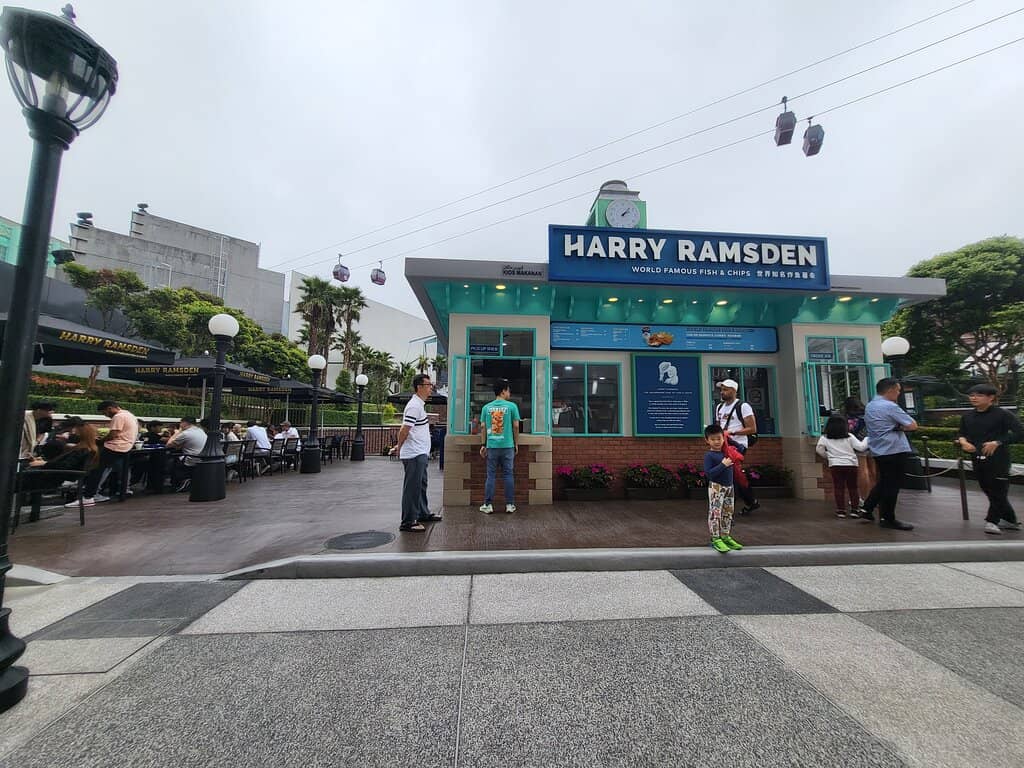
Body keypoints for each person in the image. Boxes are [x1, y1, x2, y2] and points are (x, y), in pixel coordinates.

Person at [956, 383, 1024, 535]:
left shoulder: (1003, 414)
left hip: (999, 459)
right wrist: (963, 442)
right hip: (977, 458)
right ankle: (1010, 520)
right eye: (972, 395)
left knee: (998, 491)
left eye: (979, 395)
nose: (974, 398)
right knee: (989, 490)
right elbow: (961, 433)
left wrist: (997, 442)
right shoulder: (967, 416)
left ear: (991, 397)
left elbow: (1020, 433)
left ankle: (992, 521)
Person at [860, 378, 917, 530]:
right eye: (898, 391)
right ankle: (887, 518)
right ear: (890, 390)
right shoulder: (890, 406)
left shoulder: (870, 405)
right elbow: (912, 425)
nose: (898, 394)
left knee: (885, 481)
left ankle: (867, 508)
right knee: (892, 485)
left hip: (878, 449)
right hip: (894, 449)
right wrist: (900, 427)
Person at [389, 373, 442, 531]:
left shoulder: (419, 405)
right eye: (428, 385)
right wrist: (399, 447)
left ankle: (422, 513)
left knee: (421, 485)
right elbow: (404, 430)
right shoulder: (414, 406)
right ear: (419, 387)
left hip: (420, 453)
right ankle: (408, 521)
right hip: (414, 454)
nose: (431, 388)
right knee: (412, 488)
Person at [68, 400, 138, 507]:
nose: (105, 415)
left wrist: (100, 441)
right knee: (115, 470)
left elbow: (113, 435)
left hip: (114, 446)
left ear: (110, 408)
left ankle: (88, 497)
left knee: (95, 470)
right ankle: (119, 493)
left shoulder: (118, 417)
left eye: (104, 412)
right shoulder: (129, 415)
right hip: (126, 447)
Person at [714, 379, 760, 514]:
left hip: (737, 446)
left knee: (730, 475)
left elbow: (752, 428)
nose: (722, 392)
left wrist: (732, 432)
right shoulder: (719, 407)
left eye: (725, 389)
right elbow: (719, 426)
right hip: (724, 445)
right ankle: (751, 501)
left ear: (734, 391)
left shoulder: (743, 406)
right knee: (735, 475)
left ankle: (728, 510)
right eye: (721, 389)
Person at [478, 378, 521, 514]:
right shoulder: (512, 406)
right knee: (508, 475)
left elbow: (483, 427)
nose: (510, 393)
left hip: (492, 446)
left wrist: (483, 444)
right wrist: (516, 443)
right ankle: (509, 505)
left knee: (491, 475)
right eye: (508, 390)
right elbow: (516, 426)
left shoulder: (486, 408)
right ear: (503, 391)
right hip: (508, 446)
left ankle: (488, 505)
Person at [816, 415, 869, 518]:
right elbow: (861, 447)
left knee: (838, 487)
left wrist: (828, 456)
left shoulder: (824, 438)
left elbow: (819, 450)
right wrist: (867, 439)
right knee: (853, 487)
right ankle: (854, 510)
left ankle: (841, 511)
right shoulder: (849, 436)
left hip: (835, 465)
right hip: (851, 464)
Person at [703, 424, 744, 553]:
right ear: (707, 440)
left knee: (728, 512)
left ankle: (725, 536)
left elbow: (741, 448)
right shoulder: (709, 456)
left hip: (729, 487)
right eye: (713, 439)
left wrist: (729, 438)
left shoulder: (727, 452)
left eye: (719, 438)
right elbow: (709, 474)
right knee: (715, 513)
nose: (716, 442)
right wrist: (722, 465)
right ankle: (715, 538)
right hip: (716, 487)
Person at [843, 396, 876, 502]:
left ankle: (864, 497)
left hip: (858, 444)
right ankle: (876, 496)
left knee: (863, 471)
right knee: (873, 471)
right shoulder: (867, 415)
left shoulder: (849, 418)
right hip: (872, 443)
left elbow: (848, 432)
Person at [166, 416, 207, 491]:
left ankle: (178, 483)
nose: (180, 425)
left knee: (169, 461)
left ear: (185, 423)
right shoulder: (200, 431)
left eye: (180, 423)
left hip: (191, 459)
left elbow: (168, 445)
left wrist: (178, 432)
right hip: (202, 458)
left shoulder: (186, 433)